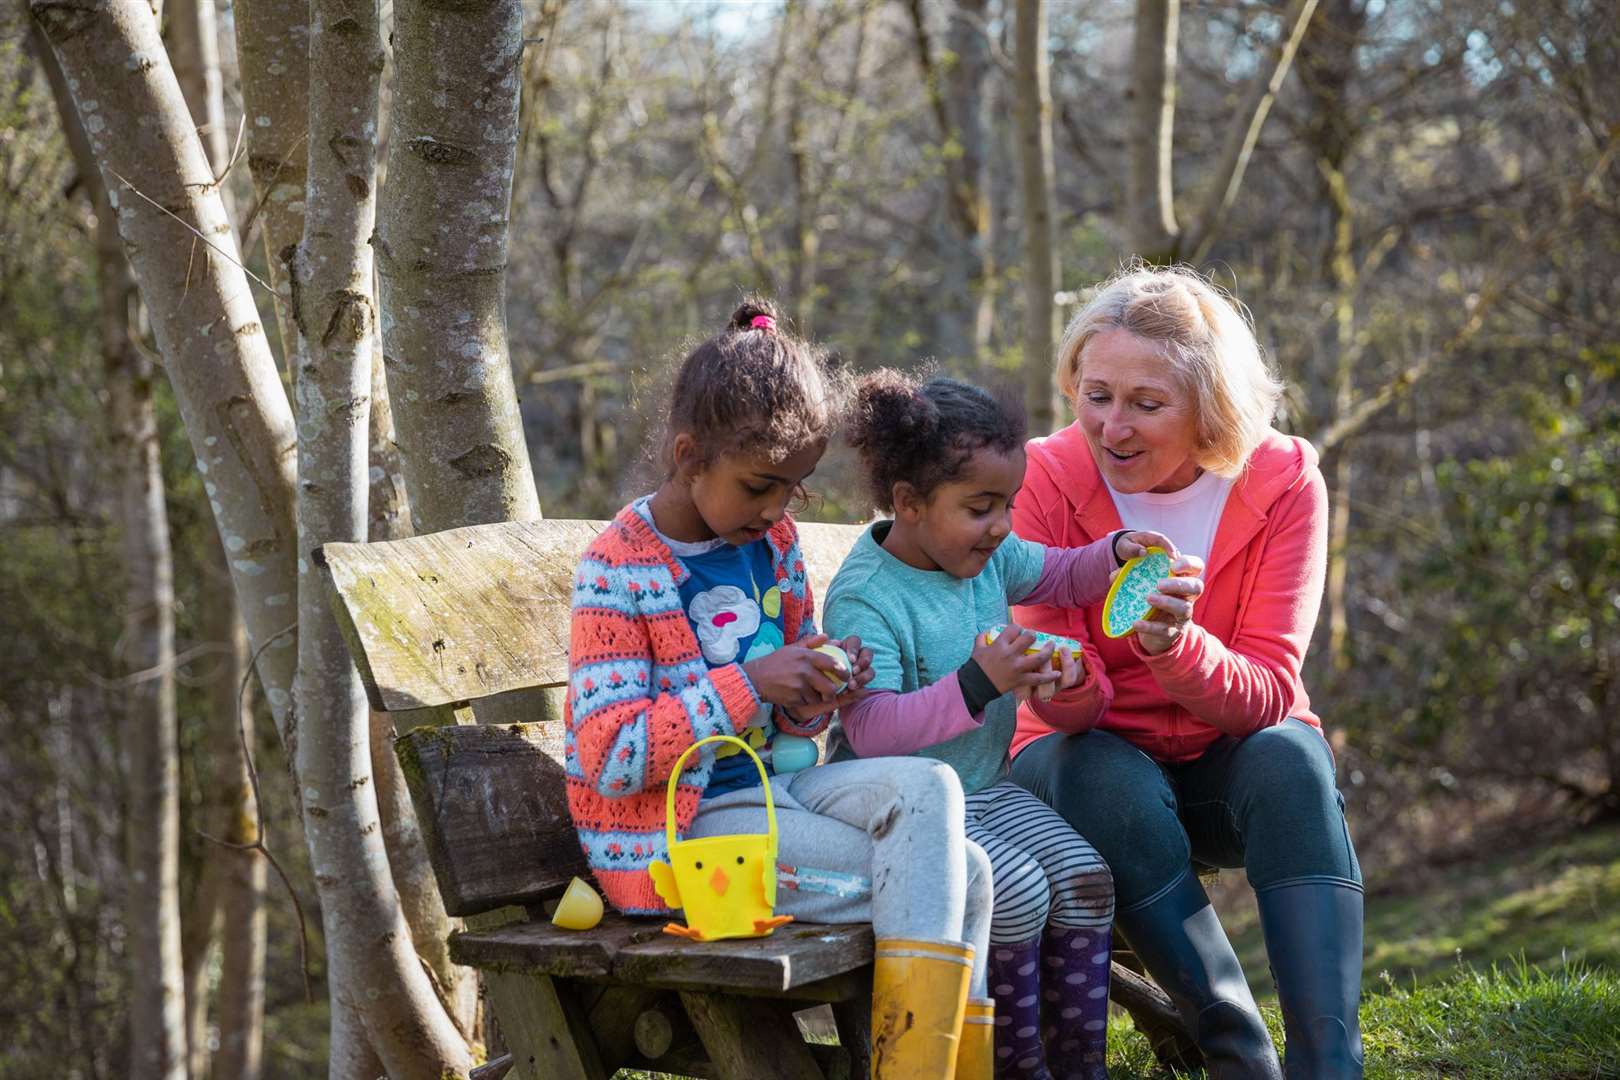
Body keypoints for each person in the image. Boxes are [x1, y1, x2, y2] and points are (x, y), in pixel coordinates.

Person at [564, 299, 996, 1079]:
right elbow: (611, 755)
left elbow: (787, 695)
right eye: (759, 486)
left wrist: (820, 682)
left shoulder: (776, 545)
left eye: (792, 490)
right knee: (949, 878)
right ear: (690, 455)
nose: (774, 511)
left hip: (780, 795)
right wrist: (751, 681)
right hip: (681, 839)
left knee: (951, 828)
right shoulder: (618, 570)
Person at [1007, 264, 1364, 1079]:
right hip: (1078, 771)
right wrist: (1059, 676)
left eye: (1146, 404)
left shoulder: (1282, 482)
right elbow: (1063, 715)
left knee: (1292, 757)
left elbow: (1269, 691)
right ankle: (1241, 1057)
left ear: (1209, 404)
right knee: (1101, 774)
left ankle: (1329, 1064)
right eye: (1096, 395)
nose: (1113, 428)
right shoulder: (1045, 481)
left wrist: (1178, 648)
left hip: (1223, 763)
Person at [823, 371, 1172, 1080]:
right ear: (909, 503)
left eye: (1008, 504)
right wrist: (979, 684)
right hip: (912, 812)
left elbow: (1057, 573)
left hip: (987, 786)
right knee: (1017, 892)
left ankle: (1079, 1065)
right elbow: (872, 733)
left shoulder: (982, 555)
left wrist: (1113, 556)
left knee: (1084, 879)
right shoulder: (867, 596)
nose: (1003, 527)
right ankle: (1014, 1067)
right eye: (981, 508)